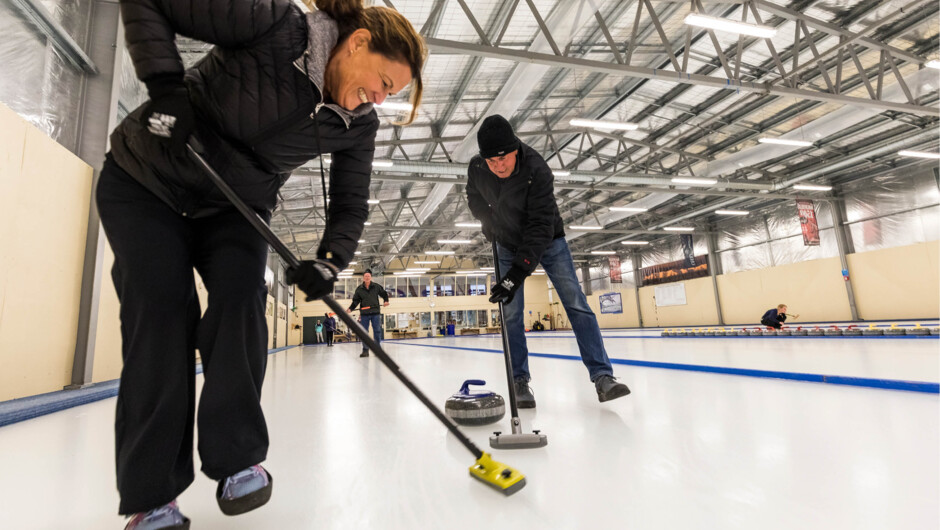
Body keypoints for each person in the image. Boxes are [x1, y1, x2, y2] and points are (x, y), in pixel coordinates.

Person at [96, 0, 425, 526]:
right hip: (146, 181)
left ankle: (237, 458)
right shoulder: (276, 26)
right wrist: (166, 89)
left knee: (242, 298)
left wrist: (330, 261)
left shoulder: (358, 125)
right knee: (158, 319)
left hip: (234, 204)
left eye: (391, 94)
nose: (380, 99)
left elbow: (349, 203)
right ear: (358, 42)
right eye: (383, 82)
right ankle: (152, 495)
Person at [466, 114, 630, 408]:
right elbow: (473, 195)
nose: (498, 166)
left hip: (548, 241)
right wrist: (485, 219)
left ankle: (603, 377)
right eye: (492, 161)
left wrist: (517, 273)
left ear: (515, 148)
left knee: (576, 304)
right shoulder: (477, 168)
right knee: (512, 314)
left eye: (503, 159)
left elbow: (540, 226)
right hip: (505, 242)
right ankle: (519, 381)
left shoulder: (536, 169)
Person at [347, 269, 389, 357]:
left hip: (375, 313)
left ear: (371, 277)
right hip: (364, 314)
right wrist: (350, 309)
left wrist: (386, 301)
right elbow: (355, 301)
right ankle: (365, 350)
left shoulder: (376, 287)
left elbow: (384, 294)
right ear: (363, 278)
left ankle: (378, 350)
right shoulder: (359, 289)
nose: (367, 277)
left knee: (377, 331)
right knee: (364, 332)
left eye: (368, 276)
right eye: (365, 276)